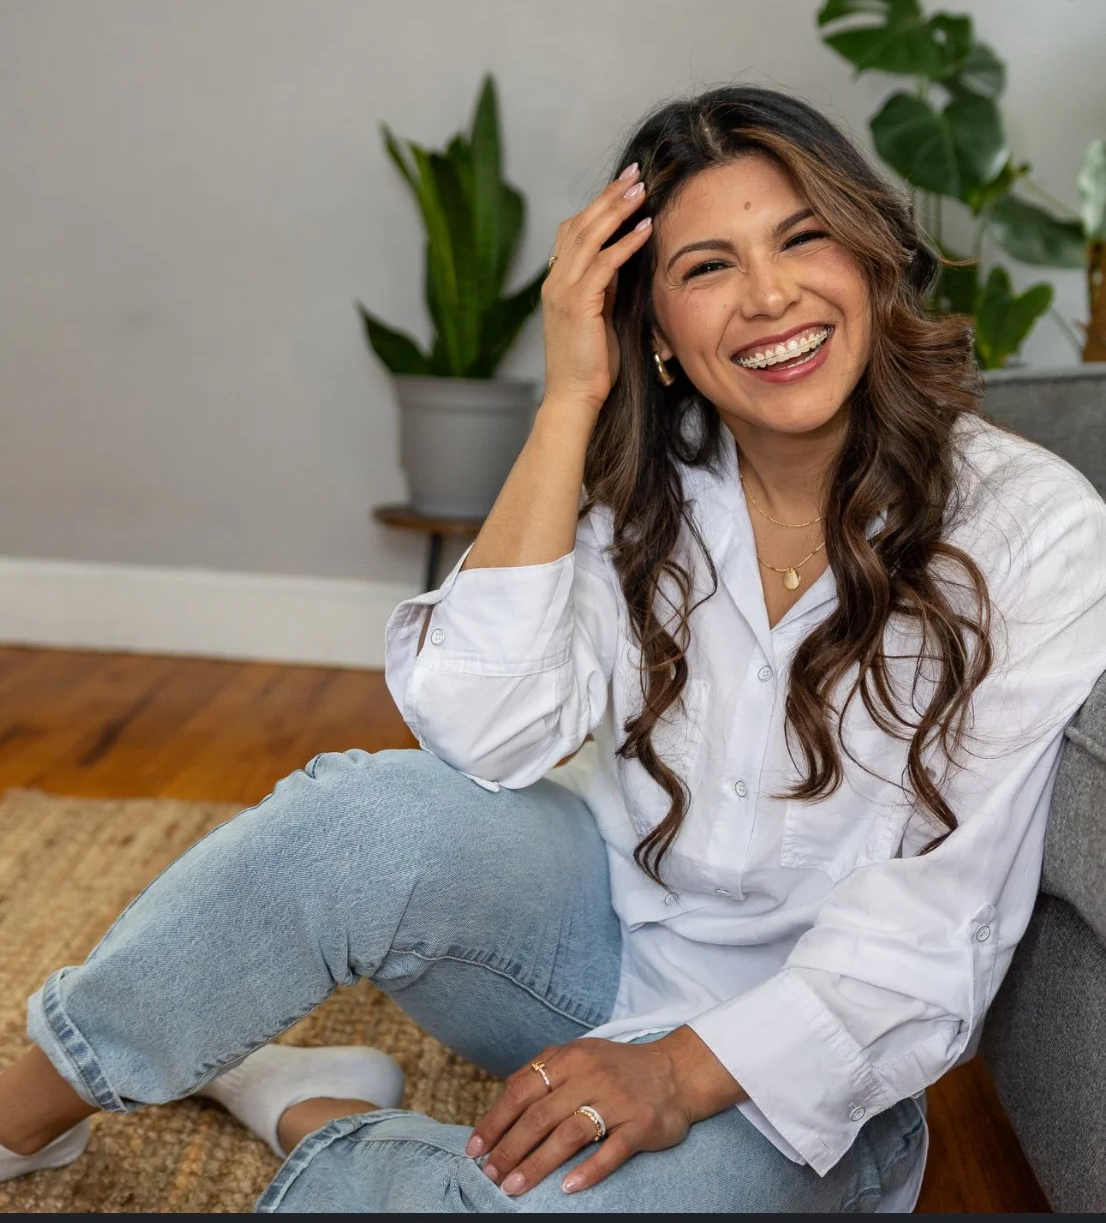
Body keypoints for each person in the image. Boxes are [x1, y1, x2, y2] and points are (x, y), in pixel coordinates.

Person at [1, 86, 1104, 1214]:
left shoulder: (1028, 528)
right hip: (591, 958)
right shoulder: (652, 492)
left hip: (801, 1093)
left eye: (801, 237)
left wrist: (675, 1071)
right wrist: (569, 397)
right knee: (359, 820)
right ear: (656, 330)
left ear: (870, 258)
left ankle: (309, 1114)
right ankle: (21, 1123)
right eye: (706, 267)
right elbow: (480, 734)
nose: (769, 296)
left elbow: (941, 925)